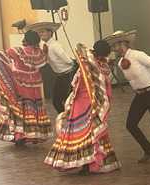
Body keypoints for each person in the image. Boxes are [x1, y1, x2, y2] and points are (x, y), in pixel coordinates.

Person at [44, 40, 121, 174]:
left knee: (80, 131)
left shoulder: (89, 65)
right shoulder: (103, 66)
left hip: (82, 102)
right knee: (92, 131)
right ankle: (92, 162)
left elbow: (79, 47)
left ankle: (85, 164)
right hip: (92, 103)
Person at [104, 30, 150, 163]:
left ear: (122, 43)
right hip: (139, 95)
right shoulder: (121, 63)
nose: (114, 49)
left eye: (115, 46)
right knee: (131, 124)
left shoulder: (138, 55)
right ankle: (149, 150)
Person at [0, 31, 53, 146]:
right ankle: (34, 134)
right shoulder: (39, 52)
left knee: (19, 107)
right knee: (34, 107)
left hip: (20, 83)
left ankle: (20, 135)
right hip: (35, 83)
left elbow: (2, 54)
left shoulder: (20, 51)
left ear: (26, 40)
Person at [27, 22, 77, 114]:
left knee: (67, 101)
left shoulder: (55, 46)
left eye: (42, 32)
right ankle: (66, 119)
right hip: (60, 76)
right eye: (39, 33)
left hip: (68, 74)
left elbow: (68, 61)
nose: (40, 34)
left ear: (49, 32)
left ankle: (72, 120)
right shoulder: (45, 46)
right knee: (56, 102)